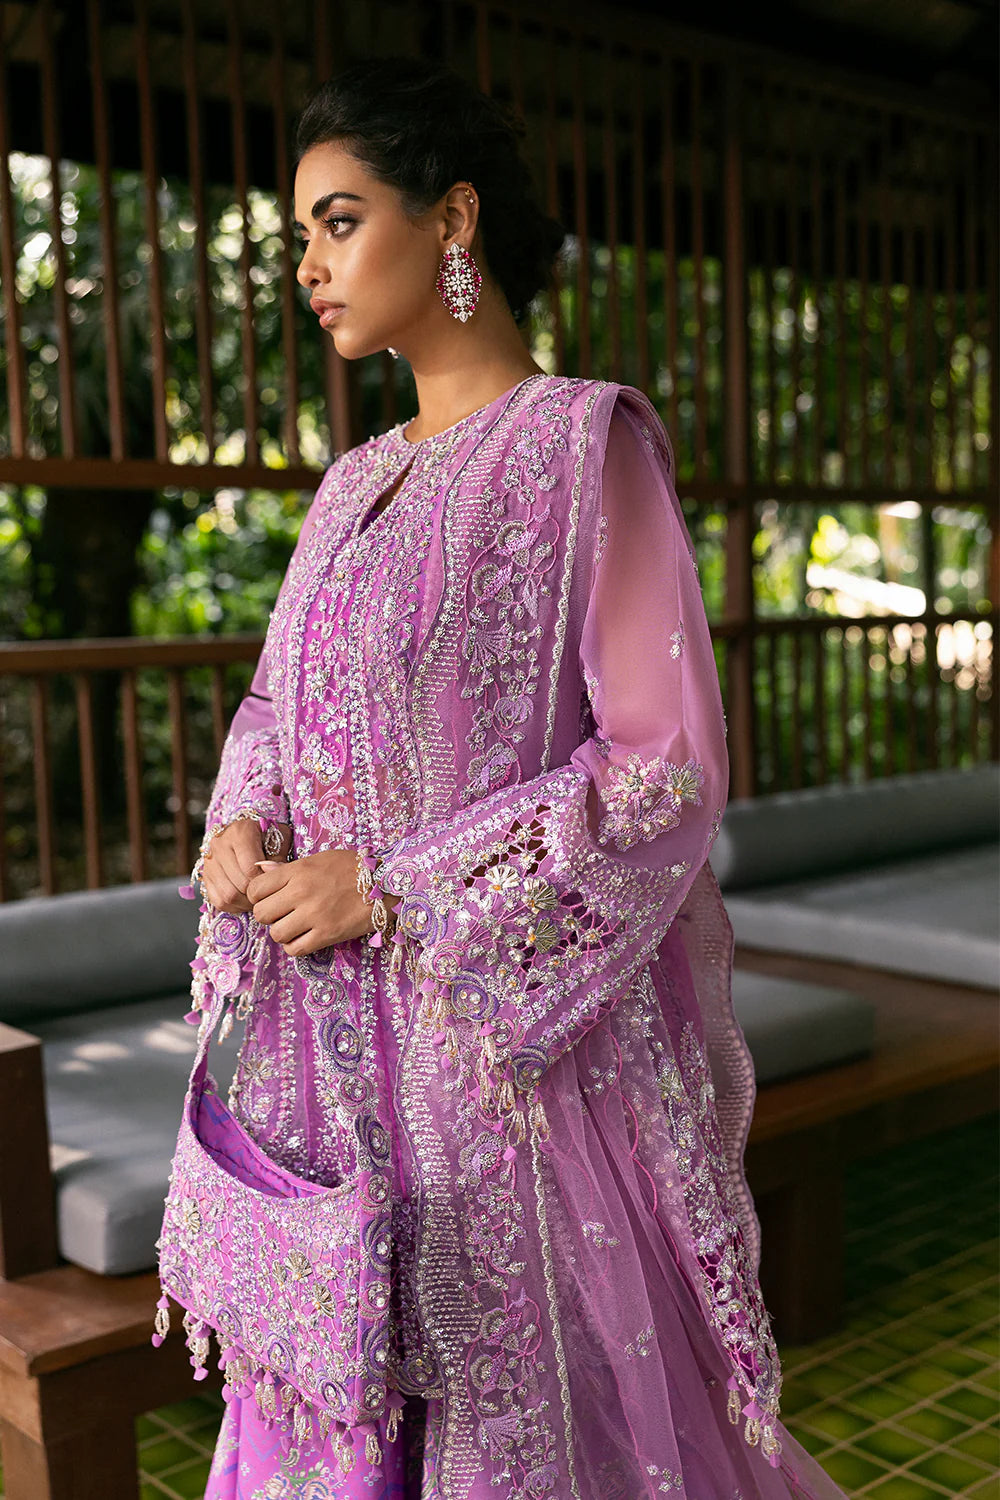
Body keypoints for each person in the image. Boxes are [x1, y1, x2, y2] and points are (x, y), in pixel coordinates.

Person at [164, 54, 853, 1500]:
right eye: (300, 235)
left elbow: (663, 770)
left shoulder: (581, 446)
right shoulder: (351, 485)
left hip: (502, 1071)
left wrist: (395, 888)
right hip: (326, 1065)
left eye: (340, 220)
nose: (308, 265)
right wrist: (241, 819)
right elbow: (279, 706)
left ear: (454, 218)